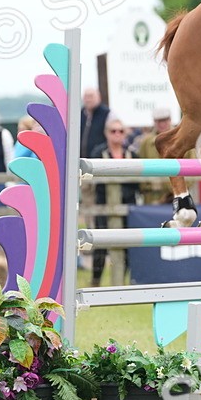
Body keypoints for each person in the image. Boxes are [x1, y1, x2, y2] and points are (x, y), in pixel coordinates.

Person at [91, 118, 137, 286]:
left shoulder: (132, 154)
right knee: (100, 244)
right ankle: (95, 281)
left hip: (128, 206)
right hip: (104, 205)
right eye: (113, 131)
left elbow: (138, 183)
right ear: (106, 133)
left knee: (128, 244)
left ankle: (123, 283)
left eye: (120, 131)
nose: (117, 134)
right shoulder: (98, 153)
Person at [133, 107, 175, 205]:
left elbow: (191, 166)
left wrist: (176, 188)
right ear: (154, 122)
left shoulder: (181, 140)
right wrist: (145, 187)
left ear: (170, 120)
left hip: (178, 193)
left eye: (164, 120)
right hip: (152, 194)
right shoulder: (146, 142)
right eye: (158, 121)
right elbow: (141, 166)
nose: (161, 124)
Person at [79, 87, 111, 162]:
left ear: (99, 97)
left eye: (91, 96)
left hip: (100, 159)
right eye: (86, 97)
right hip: (81, 160)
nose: (88, 99)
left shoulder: (106, 114)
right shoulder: (79, 114)